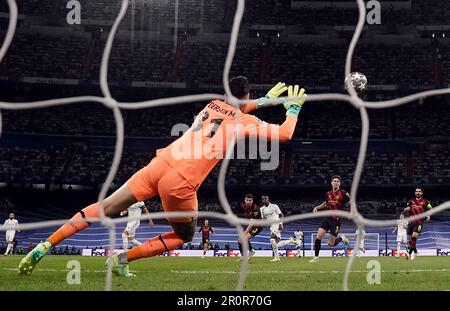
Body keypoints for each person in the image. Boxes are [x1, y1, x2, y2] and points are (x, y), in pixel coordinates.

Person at [19, 77, 307, 276]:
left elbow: (235, 105)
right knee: (184, 235)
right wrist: (292, 108)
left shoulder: (211, 105)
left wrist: (265, 100)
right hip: (181, 181)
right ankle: (121, 259)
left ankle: (46, 244)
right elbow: (285, 133)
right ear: (246, 96)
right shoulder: (244, 119)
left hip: (161, 162)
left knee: (105, 207)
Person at [309, 175, 350, 263]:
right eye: (334, 181)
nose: (336, 182)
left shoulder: (343, 193)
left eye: (338, 181)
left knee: (331, 244)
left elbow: (351, 202)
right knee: (318, 236)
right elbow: (325, 203)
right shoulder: (328, 193)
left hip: (336, 221)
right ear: (331, 183)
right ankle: (316, 257)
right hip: (328, 218)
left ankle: (341, 238)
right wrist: (317, 207)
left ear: (340, 183)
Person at [260, 195, 297, 262]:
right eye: (263, 199)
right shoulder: (262, 209)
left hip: (277, 223)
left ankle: (276, 257)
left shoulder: (274, 206)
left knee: (272, 239)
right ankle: (290, 241)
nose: (265, 200)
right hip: (271, 226)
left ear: (268, 199)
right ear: (262, 200)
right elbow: (263, 218)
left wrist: (280, 223)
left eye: (266, 198)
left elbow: (281, 215)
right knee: (276, 243)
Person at [404, 187, 432, 260]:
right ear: (415, 193)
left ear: (422, 193)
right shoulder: (410, 201)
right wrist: (407, 209)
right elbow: (408, 208)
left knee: (414, 236)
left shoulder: (426, 202)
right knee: (410, 239)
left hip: (419, 222)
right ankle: (415, 252)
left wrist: (428, 215)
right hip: (411, 222)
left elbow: (431, 209)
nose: (418, 192)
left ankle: (409, 253)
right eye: (417, 191)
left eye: (419, 191)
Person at [237, 193, 261, 261]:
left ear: (252, 201)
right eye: (247, 200)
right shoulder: (244, 206)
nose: (248, 202)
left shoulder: (255, 208)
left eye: (250, 200)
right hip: (249, 223)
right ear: (245, 200)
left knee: (244, 238)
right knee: (239, 240)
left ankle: (251, 251)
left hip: (257, 225)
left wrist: (245, 232)